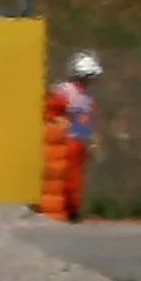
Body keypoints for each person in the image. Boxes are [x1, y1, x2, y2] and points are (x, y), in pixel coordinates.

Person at [38, 53, 101, 222]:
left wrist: (92, 140)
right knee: (67, 178)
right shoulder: (65, 92)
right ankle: (71, 211)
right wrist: (60, 121)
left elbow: (87, 121)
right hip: (66, 142)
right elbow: (49, 111)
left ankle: (71, 208)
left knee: (76, 178)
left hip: (80, 141)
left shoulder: (85, 97)